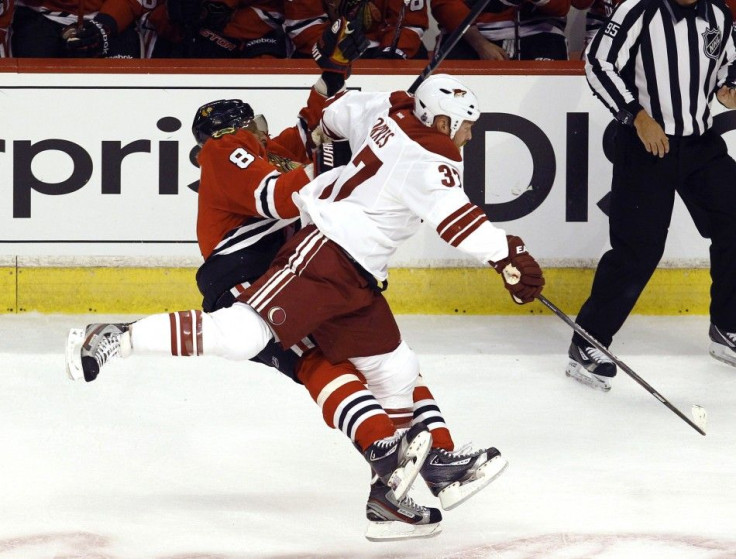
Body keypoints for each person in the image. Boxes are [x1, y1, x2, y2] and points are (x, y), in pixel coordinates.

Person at [65, 74, 540, 531]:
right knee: (267, 343)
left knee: (397, 368)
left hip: (348, 267)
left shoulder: (335, 130)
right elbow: (280, 194)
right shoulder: (227, 148)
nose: (263, 129)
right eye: (255, 123)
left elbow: (320, 123)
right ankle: (119, 337)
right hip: (260, 267)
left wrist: (330, 79)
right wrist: (507, 256)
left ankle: (425, 468)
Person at [566, 0, 736, 391]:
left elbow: (729, 61)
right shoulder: (637, 9)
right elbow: (598, 63)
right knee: (637, 251)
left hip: (700, 145)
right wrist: (636, 116)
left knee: (734, 222)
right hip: (645, 144)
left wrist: (730, 88)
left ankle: (727, 326)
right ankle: (588, 340)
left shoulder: (719, 14)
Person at [431, 0, 571, 60]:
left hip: (538, 32)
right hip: (472, 34)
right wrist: (480, 45)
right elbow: (444, 5)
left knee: (549, 98)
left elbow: (562, 7)